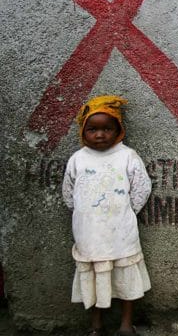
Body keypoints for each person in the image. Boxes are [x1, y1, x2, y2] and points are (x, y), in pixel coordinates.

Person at [62, 96, 151, 336]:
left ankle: (125, 325)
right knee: (92, 277)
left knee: (125, 276)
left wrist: (126, 211)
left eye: (106, 129)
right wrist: (85, 213)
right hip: (88, 234)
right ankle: (96, 325)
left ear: (118, 130)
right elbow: (69, 193)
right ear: (83, 131)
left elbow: (142, 187)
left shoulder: (127, 156)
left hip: (121, 232)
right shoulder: (77, 159)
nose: (100, 135)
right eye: (93, 129)